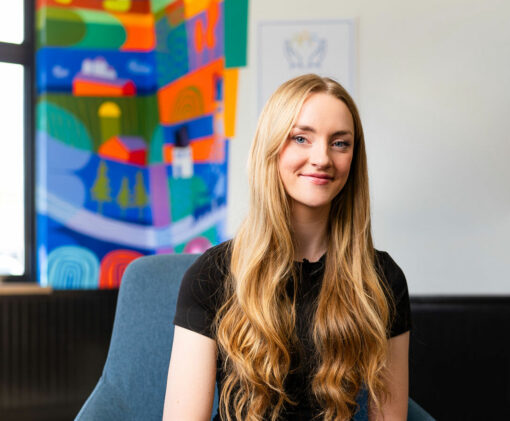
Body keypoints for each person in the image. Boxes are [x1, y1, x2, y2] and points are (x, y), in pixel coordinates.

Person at [163, 74, 411, 421]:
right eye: (301, 138)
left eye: (340, 143)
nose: (322, 158)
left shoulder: (382, 279)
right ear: (272, 147)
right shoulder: (210, 275)